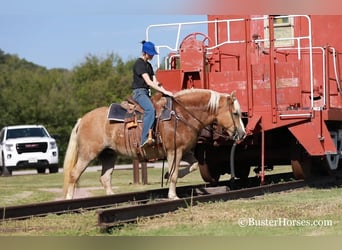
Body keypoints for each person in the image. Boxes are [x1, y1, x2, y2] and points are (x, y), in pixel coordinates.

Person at [132, 40, 173, 147]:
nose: (152, 56)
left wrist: (166, 92)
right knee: (150, 110)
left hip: (147, 93)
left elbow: (155, 82)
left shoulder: (148, 66)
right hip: (139, 93)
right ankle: (144, 139)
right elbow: (148, 82)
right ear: (145, 52)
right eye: (151, 54)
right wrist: (164, 91)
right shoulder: (139, 64)